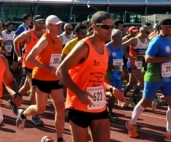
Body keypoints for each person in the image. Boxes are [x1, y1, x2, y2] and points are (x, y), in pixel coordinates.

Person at [57, 11, 125, 142]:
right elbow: (61, 70)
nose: (109, 30)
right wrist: (79, 92)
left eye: (112, 27)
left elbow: (100, 76)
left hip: (98, 105)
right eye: (105, 26)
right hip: (78, 105)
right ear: (94, 27)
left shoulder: (106, 50)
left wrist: (111, 88)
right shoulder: (84, 46)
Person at [15, 15, 66, 142]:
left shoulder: (59, 40)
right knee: (40, 109)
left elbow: (57, 59)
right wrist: (46, 67)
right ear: (48, 26)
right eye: (57, 25)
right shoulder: (44, 40)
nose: (60, 27)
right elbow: (30, 58)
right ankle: (23, 114)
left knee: (60, 107)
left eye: (60, 24)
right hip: (41, 78)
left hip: (54, 78)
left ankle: (60, 138)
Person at [126, 17, 171, 140]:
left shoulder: (170, 40)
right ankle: (131, 123)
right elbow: (148, 59)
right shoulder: (156, 41)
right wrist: (168, 58)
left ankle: (169, 132)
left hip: (167, 78)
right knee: (145, 103)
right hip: (153, 77)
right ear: (163, 27)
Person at [11, 15, 46, 126]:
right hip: (29, 64)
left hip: (39, 65)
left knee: (27, 86)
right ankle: (35, 115)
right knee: (33, 89)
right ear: (34, 23)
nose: (42, 24)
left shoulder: (45, 33)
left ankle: (14, 100)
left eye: (43, 22)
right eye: (40, 22)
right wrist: (19, 56)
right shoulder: (28, 34)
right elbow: (15, 41)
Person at [123, 25, 150, 106]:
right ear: (141, 32)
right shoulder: (135, 39)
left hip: (140, 63)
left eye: (149, 32)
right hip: (132, 63)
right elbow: (123, 45)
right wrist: (128, 56)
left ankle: (122, 94)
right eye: (147, 32)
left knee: (131, 84)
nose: (148, 34)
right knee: (142, 82)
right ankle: (133, 98)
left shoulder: (147, 40)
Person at [106, 29, 125, 120]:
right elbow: (103, 62)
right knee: (113, 93)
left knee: (116, 93)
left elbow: (121, 58)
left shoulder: (121, 46)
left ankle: (108, 111)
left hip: (118, 74)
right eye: (118, 37)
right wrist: (112, 67)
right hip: (108, 74)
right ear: (112, 37)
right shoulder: (107, 47)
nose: (121, 39)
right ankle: (109, 112)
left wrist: (124, 69)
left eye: (121, 36)